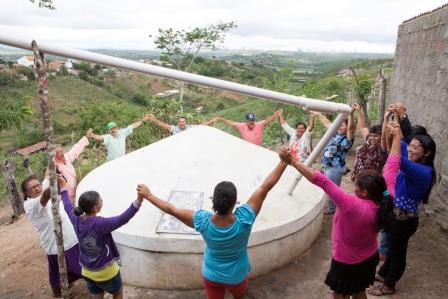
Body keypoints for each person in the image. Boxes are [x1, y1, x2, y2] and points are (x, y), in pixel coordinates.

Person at [136, 149, 290, 299]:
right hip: (237, 275)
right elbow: (265, 187)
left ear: (213, 200)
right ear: (234, 202)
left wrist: (148, 195)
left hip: (212, 275)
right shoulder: (245, 219)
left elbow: (172, 209)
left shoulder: (202, 221)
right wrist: (283, 162)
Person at [285, 122, 402, 299]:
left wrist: (292, 162)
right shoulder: (387, 196)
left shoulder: (352, 206)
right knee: (359, 291)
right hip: (370, 257)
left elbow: (322, 181)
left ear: (364, 192)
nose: (353, 188)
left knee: (340, 294)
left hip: (345, 261)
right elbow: (393, 164)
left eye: (356, 186)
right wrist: (397, 137)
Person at [368, 112, 436, 296]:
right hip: (396, 215)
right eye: (411, 146)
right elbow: (396, 146)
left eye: (416, 148)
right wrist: (393, 123)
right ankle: (383, 274)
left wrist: (397, 135)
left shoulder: (423, 172)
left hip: (404, 220)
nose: (411, 150)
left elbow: (396, 158)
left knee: (398, 252)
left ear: (427, 152)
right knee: (392, 247)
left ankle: (389, 285)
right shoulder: (415, 161)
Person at [59, 182, 144, 299]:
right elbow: (123, 218)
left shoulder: (76, 219)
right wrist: (139, 201)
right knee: (118, 293)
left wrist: (63, 188)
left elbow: (67, 205)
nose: (102, 202)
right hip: (107, 273)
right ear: (95, 208)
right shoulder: (101, 224)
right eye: (101, 201)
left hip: (87, 271)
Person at [21, 175, 82, 298]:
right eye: (32, 188)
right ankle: (57, 295)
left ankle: (67, 286)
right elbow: (44, 197)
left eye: (38, 185)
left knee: (77, 264)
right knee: (58, 271)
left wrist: (53, 174)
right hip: (54, 243)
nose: (37, 188)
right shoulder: (30, 205)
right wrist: (54, 186)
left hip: (70, 236)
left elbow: (48, 174)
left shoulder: (44, 190)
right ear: (26, 193)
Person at [314, 108, 355, 214]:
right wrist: (319, 113)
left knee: (333, 189)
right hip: (326, 165)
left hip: (335, 168)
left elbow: (351, 129)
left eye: (343, 125)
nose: (340, 126)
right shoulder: (334, 133)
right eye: (339, 124)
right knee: (326, 186)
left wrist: (350, 115)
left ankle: (332, 209)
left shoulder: (347, 139)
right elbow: (327, 123)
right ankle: (330, 206)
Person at [351, 103, 388, 183]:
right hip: (358, 178)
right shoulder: (368, 142)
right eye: (371, 135)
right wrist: (358, 111)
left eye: (376, 136)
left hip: (371, 182)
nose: (372, 138)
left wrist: (386, 117)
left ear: (381, 136)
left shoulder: (382, 147)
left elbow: (384, 136)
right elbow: (363, 127)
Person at [53, 129, 92, 202]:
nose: (61, 153)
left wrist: (86, 137)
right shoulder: (54, 166)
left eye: (62, 151)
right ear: (53, 155)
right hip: (65, 195)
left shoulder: (66, 158)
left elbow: (75, 149)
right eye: (58, 152)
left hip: (75, 190)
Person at [216, 110, 281, 146]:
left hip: (259, 148)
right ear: (246, 121)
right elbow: (231, 123)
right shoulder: (242, 126)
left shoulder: (259, 124)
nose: (252, 121)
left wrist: (274, 115)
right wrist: (221, 119)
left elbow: (267, 121)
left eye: (253, 120)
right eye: (250, 120)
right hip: (248, 148)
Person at [146, 114, 218, 135]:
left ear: (186, 122)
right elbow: (163, 124)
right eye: (180, 122)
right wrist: (154, 120)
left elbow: (201, 126)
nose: (182, 123)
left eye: (183, 121)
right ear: (178, 123)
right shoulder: (175, 128)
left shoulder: (190, 127)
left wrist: (211, 121)